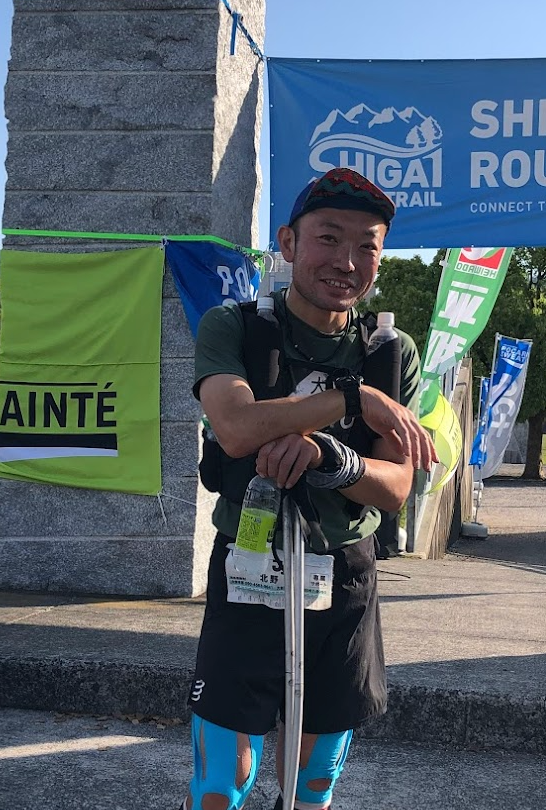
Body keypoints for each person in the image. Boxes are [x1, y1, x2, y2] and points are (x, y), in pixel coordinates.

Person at [181, 167, 437, 810]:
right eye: (328, 238)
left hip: (343, 572)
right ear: (289, 243)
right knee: (222, 782)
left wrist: (331, 456)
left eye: (366, 246)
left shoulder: (390, 350)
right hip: (248, 563)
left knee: (313, 780)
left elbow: (396, 486)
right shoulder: (235, 327)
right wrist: (352, 399)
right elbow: (236, 427)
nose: (346, 261)